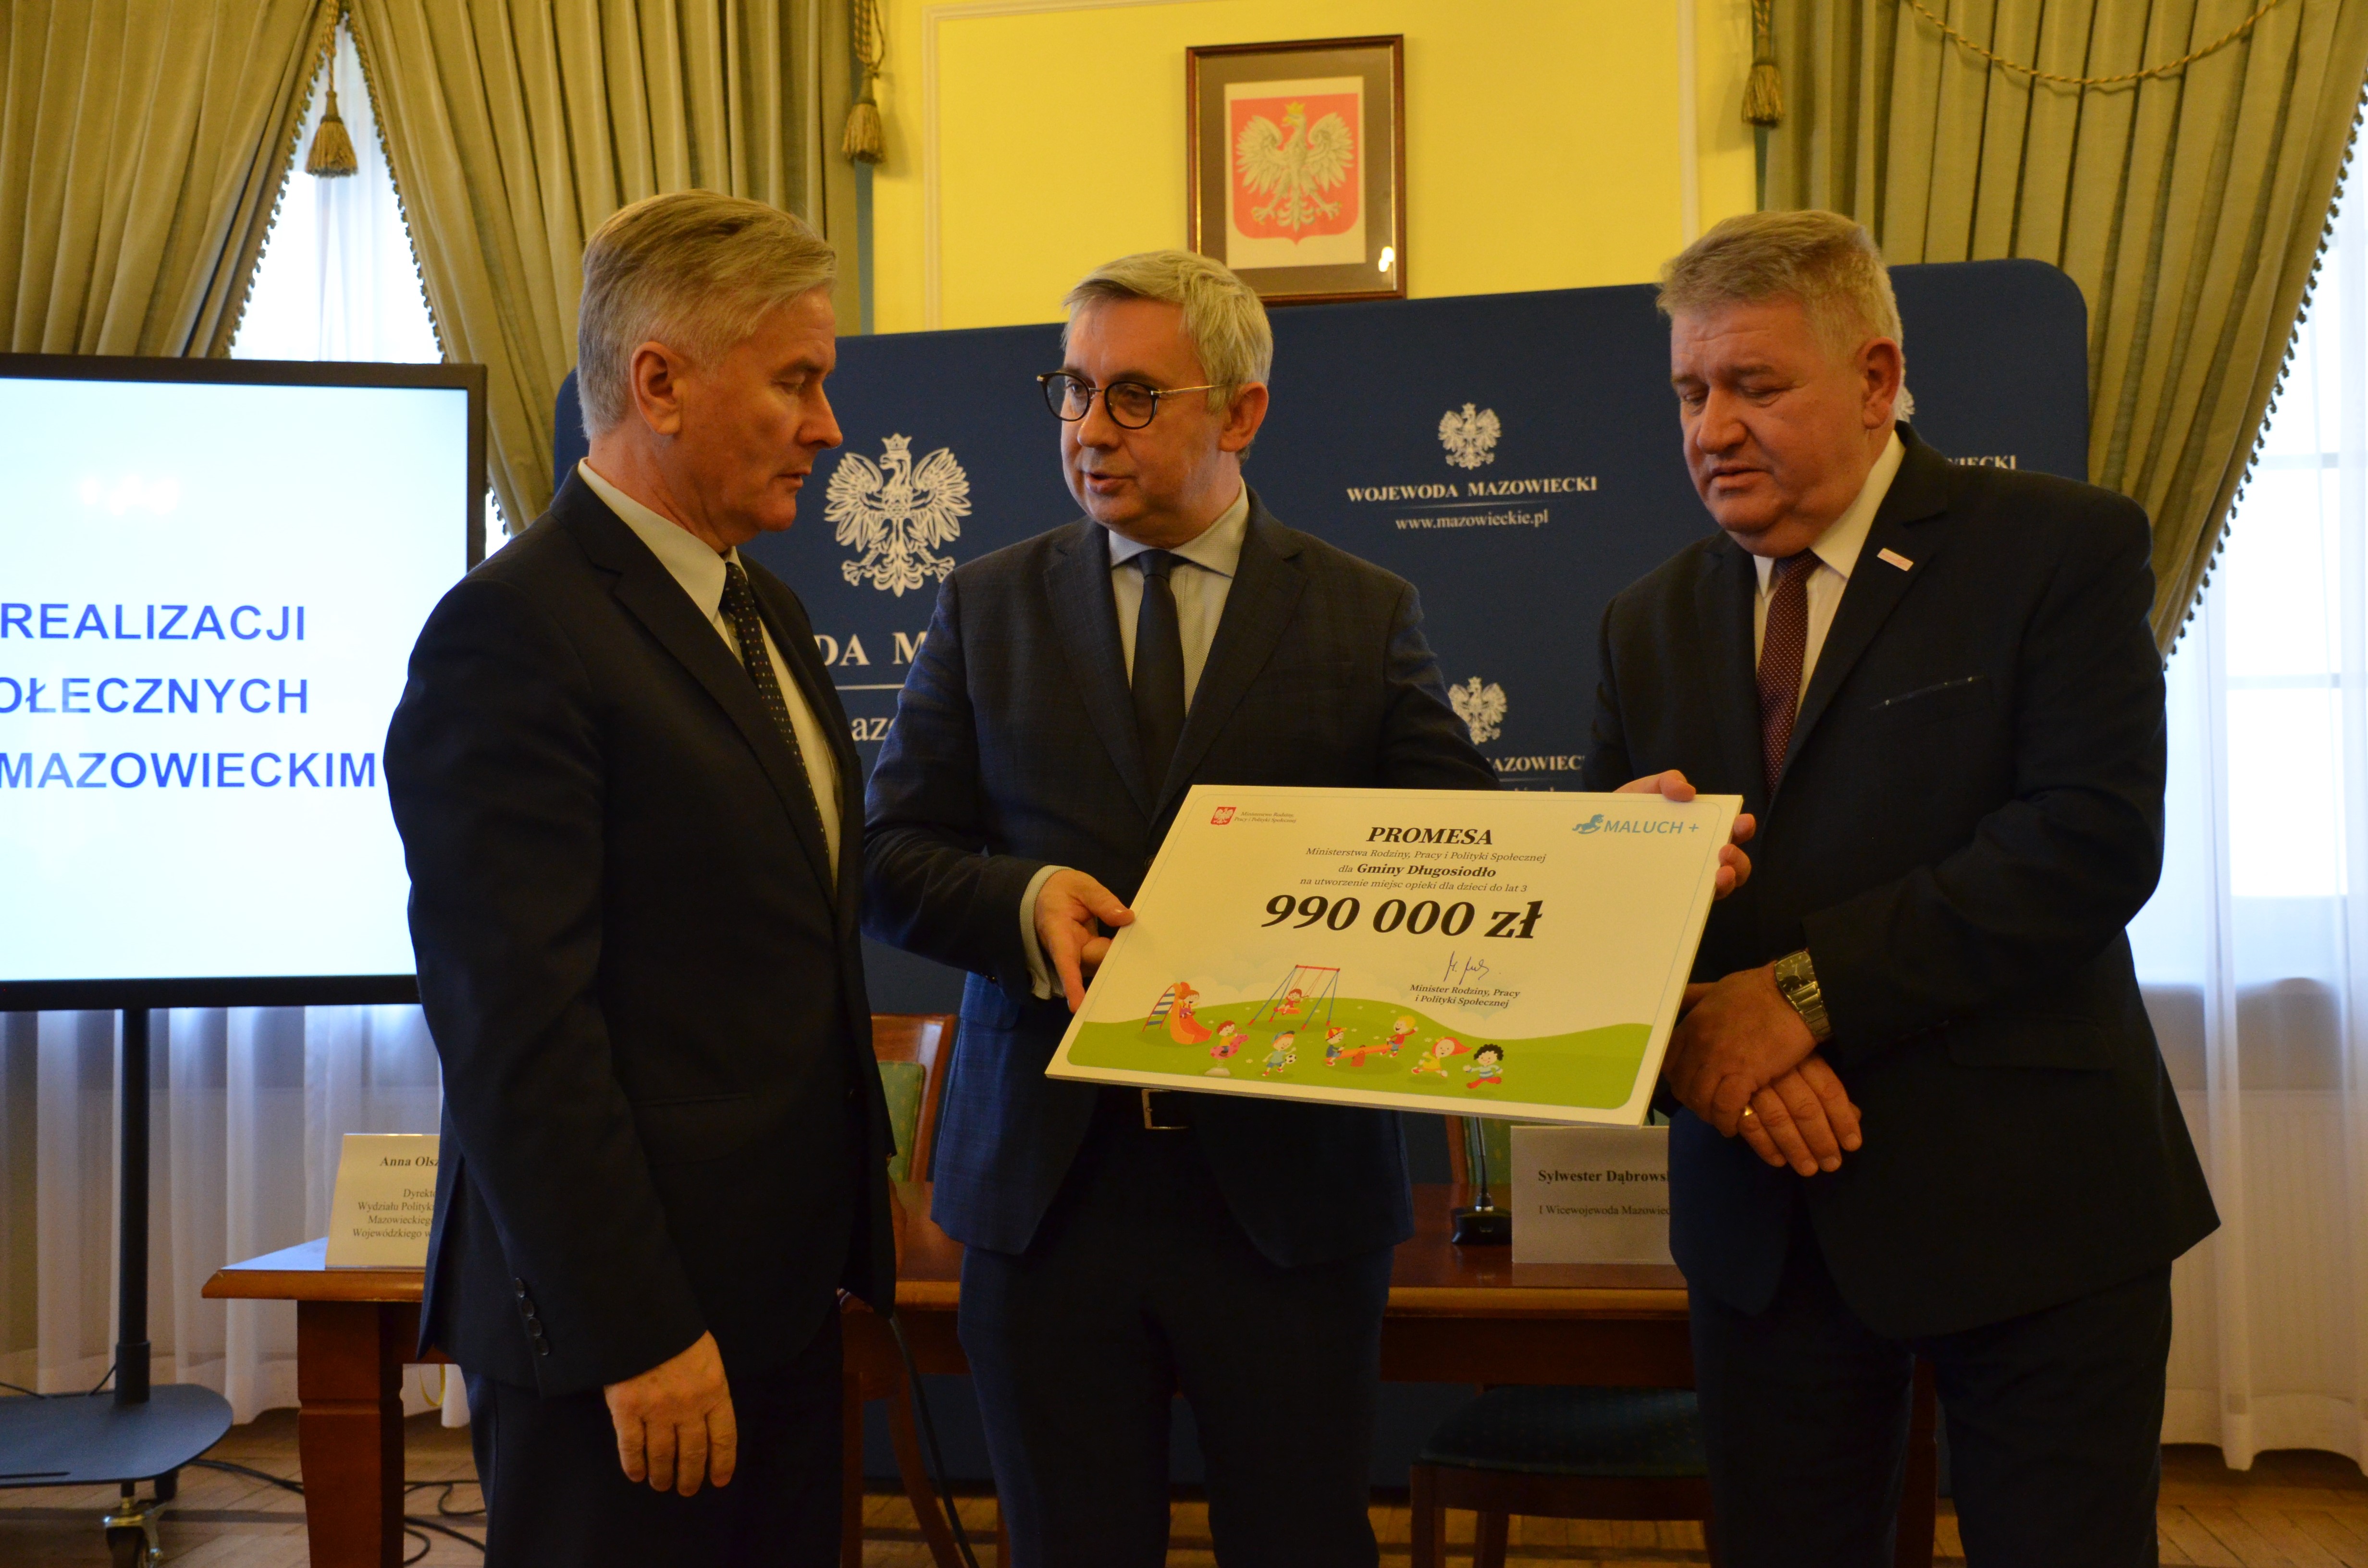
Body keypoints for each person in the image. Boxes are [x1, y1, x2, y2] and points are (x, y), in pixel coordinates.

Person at [865, 249, 1750, 1566]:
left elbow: (1468, 850)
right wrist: (1024, 899)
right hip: (1048, 1197)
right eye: (1074, 390)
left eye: (1134, 396)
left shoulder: (1358, 612)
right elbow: (887, 855)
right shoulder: (984, 605)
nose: (1089, 429)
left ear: (1242, 411)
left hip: (1286, 1203)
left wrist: (1622, 849)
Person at [1580, 209, 2219, 1567]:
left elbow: (2090, 842)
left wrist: (1800, 998)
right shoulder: (1645, 620)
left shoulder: (2057, 548)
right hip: (1763, 1222)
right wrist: (1689, 1020)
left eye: (1756, 386)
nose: (1712, 429)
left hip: (2031, 1213)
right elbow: (1595, 922)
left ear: (1876, 379)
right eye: (1691, 392)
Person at [384, 191, 892, 1567]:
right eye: (797, 381)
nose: (829, 426)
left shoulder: (766, 610)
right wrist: (639, 1333)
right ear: (659, 383)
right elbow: (519, 1036)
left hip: (779, 1312)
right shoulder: (511, 635)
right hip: (629, 1342)